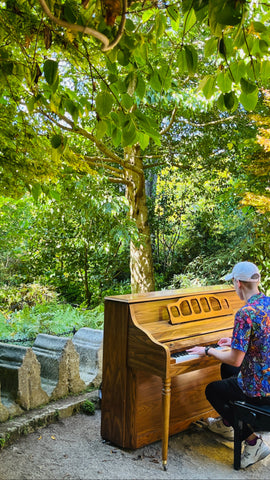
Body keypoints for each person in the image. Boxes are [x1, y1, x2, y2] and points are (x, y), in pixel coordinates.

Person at [187, 261, 270, 469]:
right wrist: (234, 340)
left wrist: (208, 350)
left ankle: (252, 441)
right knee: (227, 371)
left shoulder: (245, 313)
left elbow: (235, 359)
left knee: (213, 390)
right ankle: (229, 423)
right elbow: (260, 340)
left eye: (233, 283)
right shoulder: (267, 304)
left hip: (259, 388)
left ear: (238, 283)